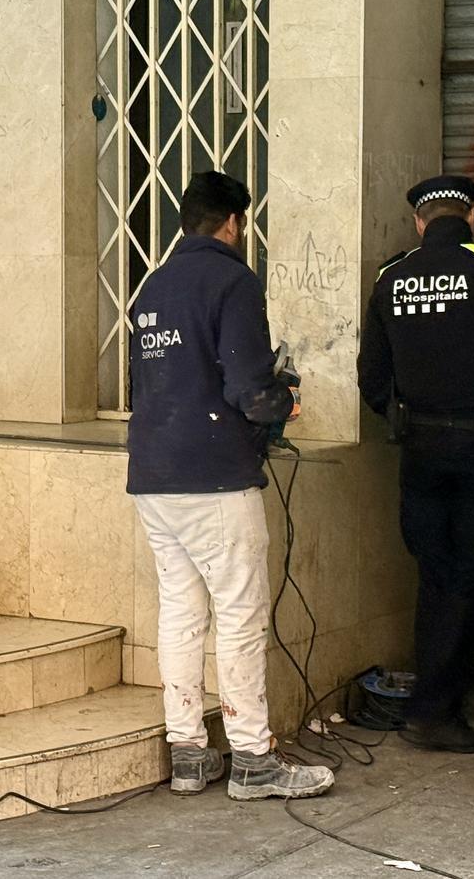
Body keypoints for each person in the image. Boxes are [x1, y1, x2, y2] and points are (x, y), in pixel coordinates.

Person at [127, 171, 334, 802]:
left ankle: (188, 752)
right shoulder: (232, 281)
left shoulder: (151, 287)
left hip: (154, 477)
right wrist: (283, 402)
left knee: (181, 613)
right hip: (214, 480)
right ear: (234, 224)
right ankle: (252, 759)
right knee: (240, 618)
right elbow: (248, 388)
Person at [358, 175, 474, 753]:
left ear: (419, 222)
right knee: (471, 576)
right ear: (471, 215)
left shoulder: (391, 276)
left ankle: (434, 703)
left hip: (420, 452)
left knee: (435, 574)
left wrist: (405, 417)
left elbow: (372, 378)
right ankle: (436, 712)